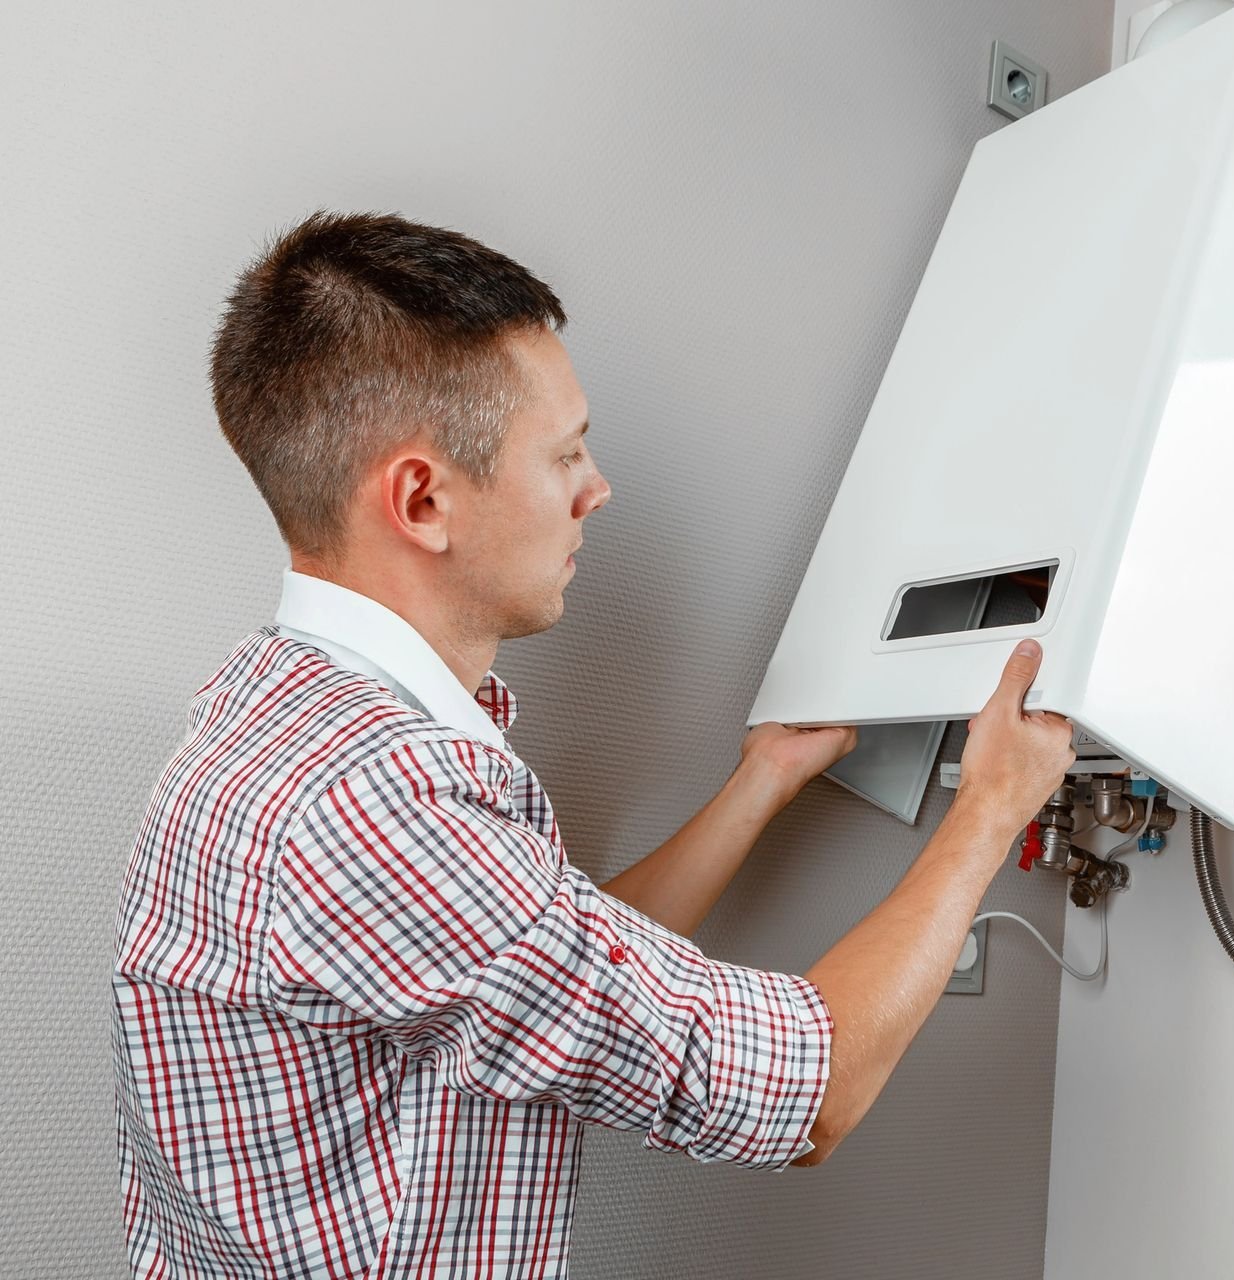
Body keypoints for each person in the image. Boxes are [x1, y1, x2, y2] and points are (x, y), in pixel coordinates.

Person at [111, 211, 1075, 1278]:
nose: (596, 487)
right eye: (565, 452)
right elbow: (812, 1094)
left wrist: (759, 783)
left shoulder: (283, 709)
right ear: (422, 500)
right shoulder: (377, 804)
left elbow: (542, 965)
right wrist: (992, 806)